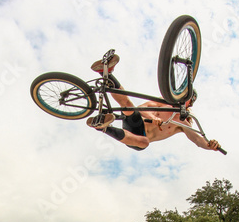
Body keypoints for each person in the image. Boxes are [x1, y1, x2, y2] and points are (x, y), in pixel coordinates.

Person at [86, 55, 222, 152]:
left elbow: (198, 140)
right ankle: (106, 73)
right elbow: (141, 108)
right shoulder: (162, 104)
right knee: (128, 105)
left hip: (137, 138)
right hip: (135, 123)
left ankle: (102, 127)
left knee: (144, 143)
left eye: (186, 97)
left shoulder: (182, 124)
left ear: (189, 104)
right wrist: (153, 117)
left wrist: (210, 145)